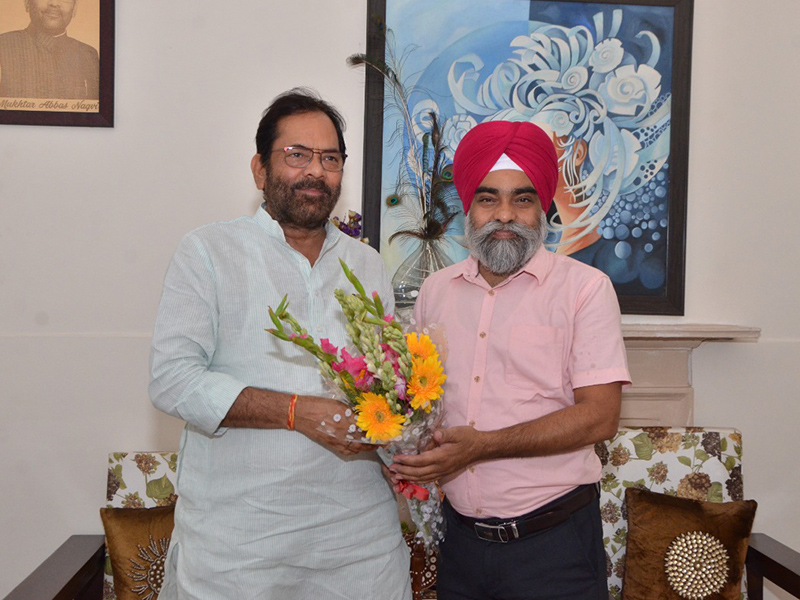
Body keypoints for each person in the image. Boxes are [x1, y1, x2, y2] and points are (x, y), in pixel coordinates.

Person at [149, 88, 411, 600]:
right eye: (297, 155)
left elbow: (388, 384)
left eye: (330, 158)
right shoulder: (208, 252)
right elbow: (172, 380)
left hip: (358, 547)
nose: (316, 171)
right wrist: (296, 412)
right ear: (259, 169)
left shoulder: (366, 264)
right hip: (241, 548)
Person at [390, 120, 631, 600]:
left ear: (542, 209)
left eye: (522, 199)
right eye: (488, 199)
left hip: (554, 548)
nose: (504, 215)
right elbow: (420, 400)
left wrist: (481, 447)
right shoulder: (436, 291)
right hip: (460, 544)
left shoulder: (585, 289)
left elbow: (600, 417)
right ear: (468, 208)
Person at [0, 0, 99, 99]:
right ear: (27, 3)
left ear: (75, 9)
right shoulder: (3, 46)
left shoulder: (88, 55)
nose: (54, 3)